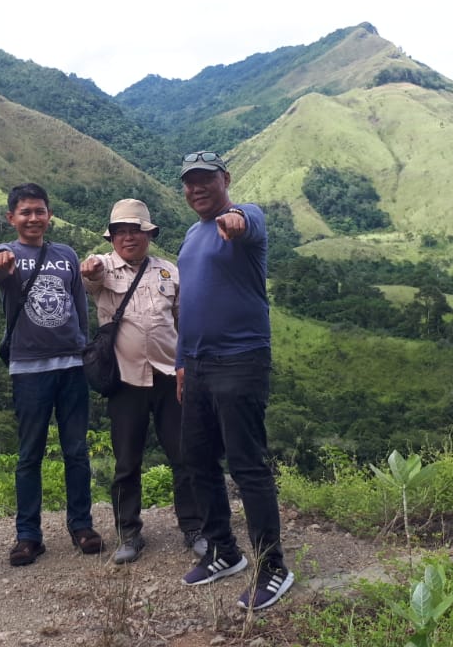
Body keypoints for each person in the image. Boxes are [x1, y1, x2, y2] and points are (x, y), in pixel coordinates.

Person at [175, 150, 293, 610]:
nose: (196, 188)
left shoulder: (244, 217)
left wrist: (236, 221)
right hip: (198, 364)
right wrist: (182, 361)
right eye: (190, 182)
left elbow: (250, 222)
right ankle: (224, 551)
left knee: (246, 465)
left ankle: (273, 567)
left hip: (241, 359)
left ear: (225, 179)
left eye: (205, 179)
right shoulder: (192, 234)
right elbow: (189, 302)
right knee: (198, 459)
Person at [80, 199, 205, 564]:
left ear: (148, 234)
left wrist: (187, 366)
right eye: (120, 232)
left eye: (135, 230)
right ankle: (129, 533)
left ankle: (194, 527)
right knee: (126, 462)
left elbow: (183, 322)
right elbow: (90, 273)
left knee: (183, 456)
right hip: (125, 381)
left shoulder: (168, 272)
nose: (128, 237)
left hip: (169, 377)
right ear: (112, 238)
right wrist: (90, 265)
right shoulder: (104, 268)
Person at [0, 183, 103, 566]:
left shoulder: (65, 254)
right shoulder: (6, 254)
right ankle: (28, 535)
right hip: (29, 368)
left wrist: (84, 347)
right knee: (29, 453)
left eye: (39, 211)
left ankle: (81, 526)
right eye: (25, 212)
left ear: (49, 215)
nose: (33, 218)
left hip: (71, 365)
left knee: (76, 451)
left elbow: (79, 306)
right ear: (12, 218)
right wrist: (0, 260)